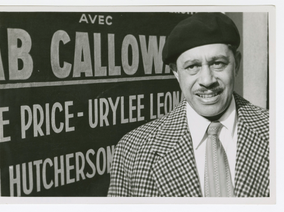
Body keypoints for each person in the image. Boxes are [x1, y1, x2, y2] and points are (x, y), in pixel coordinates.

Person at [107, 12, 269, 197]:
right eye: (192, 66)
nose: (207, 80)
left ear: (237, 64)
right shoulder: (132, 151)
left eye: (218, 63)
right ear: (176, 72)